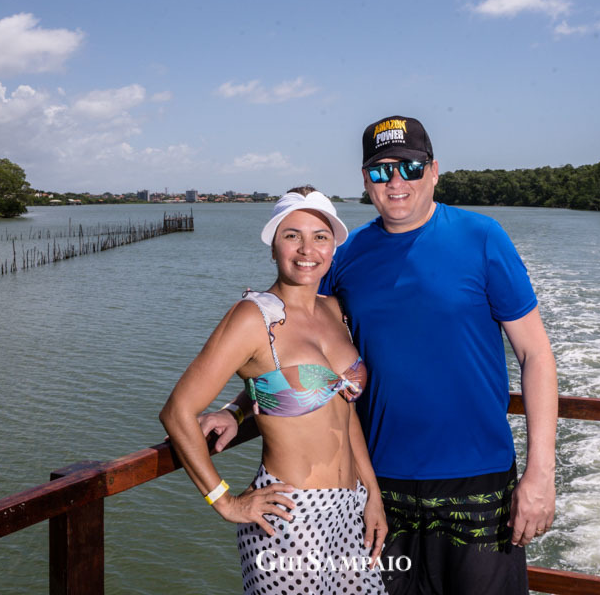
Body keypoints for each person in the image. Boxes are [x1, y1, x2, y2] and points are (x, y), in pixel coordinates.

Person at [202, 116, 558, 595]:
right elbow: (299, 341)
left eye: (409, 168)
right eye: (380, 170)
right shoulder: (347, 255)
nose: (395, 182)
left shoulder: (482, 237)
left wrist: (540, 473)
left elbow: (535, 354)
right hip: (378, 490)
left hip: (478, 479)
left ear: (433, 171)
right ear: (365, 180)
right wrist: (237, 407)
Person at [160, 187, 387, 595]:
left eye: (320, 236)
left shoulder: (334, 310)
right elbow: (178, 412)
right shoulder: (253, 318)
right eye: (291, 235)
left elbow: (344, 409)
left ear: (333, 246)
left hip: (350, 509)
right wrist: (226, 501)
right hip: (290, 517)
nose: (307, 249)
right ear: (272, 246)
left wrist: (372, 494)